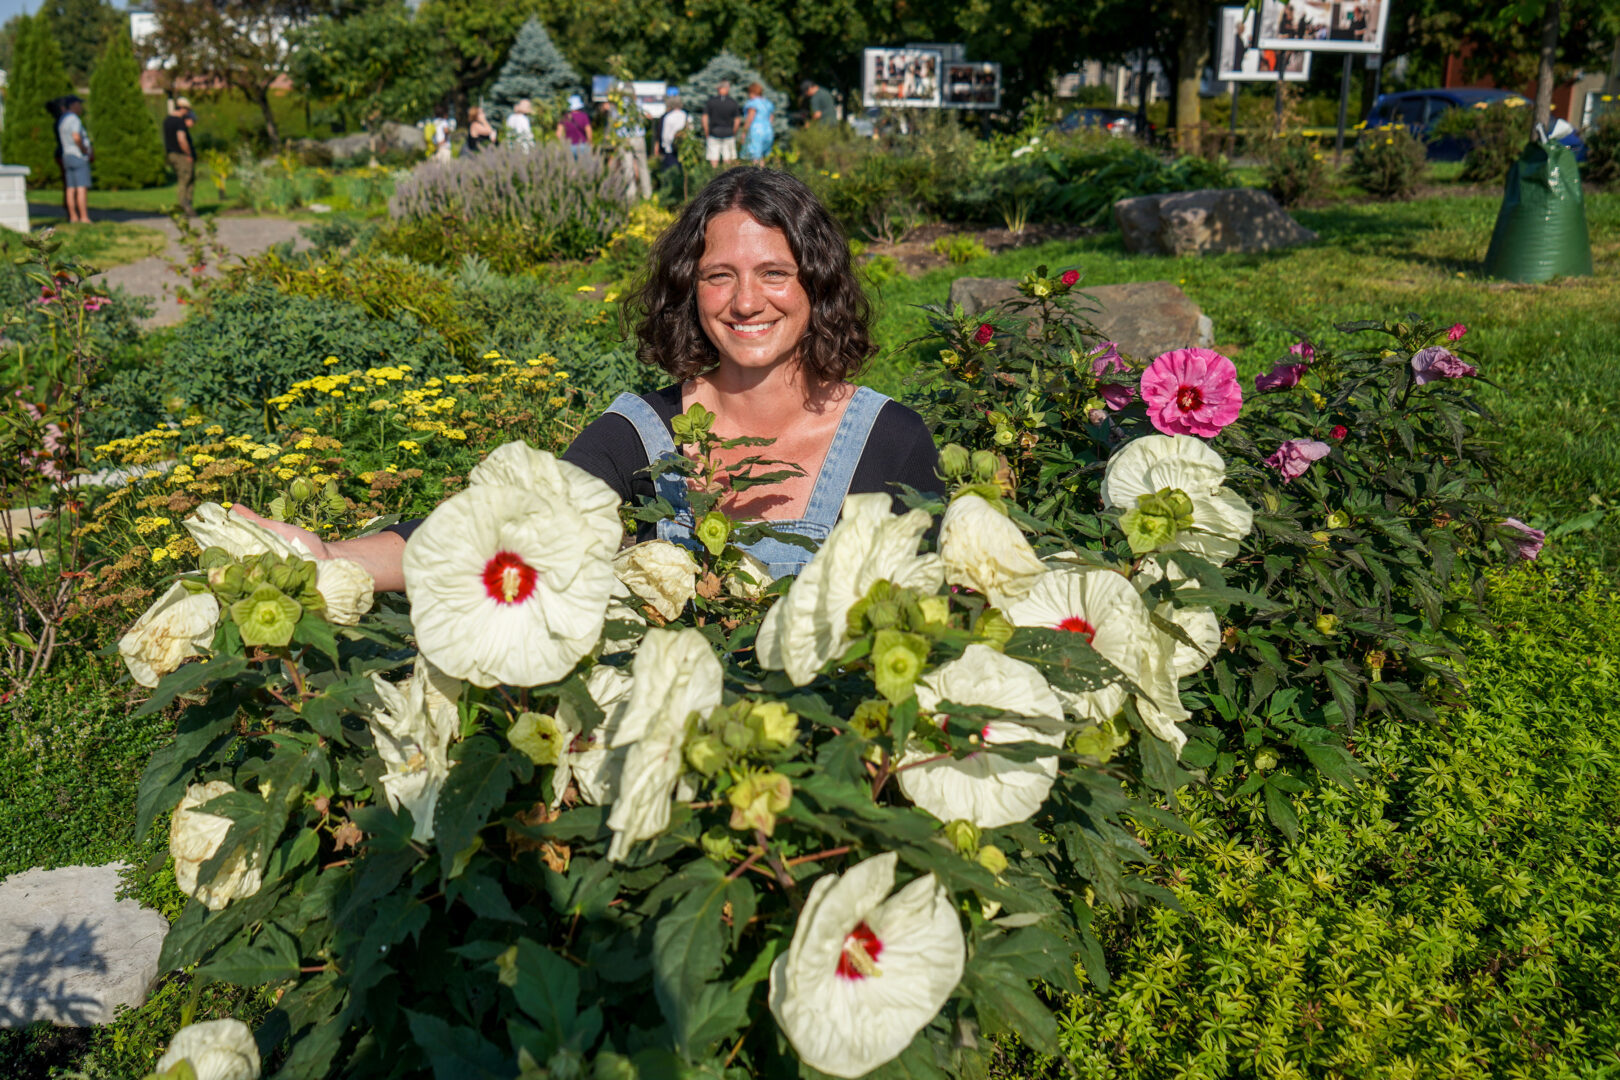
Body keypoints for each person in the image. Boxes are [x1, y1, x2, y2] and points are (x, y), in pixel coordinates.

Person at [233, 168, 942, 587]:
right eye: (719, 276)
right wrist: (329, 558)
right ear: (690, 291)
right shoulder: (640, 435)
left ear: (816, 286)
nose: (747, 301)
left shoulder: (889, 443)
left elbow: (935, 615)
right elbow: (519, 525)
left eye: (775, 274)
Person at [610, 82, 652, 200]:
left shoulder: (618, 106)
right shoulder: (637, 104)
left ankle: (631, 195)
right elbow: (645, 116)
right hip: (638, 137)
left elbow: (614, 122)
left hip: (624, 139)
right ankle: (647, 194)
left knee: (627, 167)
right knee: (643, 165)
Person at [59, 95, 91, 224]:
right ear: (72, 105)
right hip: (77, 156)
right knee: (81, 187)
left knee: (70, 188)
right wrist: (84, 149)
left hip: (66, 155)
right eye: (79, 104)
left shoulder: (63, 120)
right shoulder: (74, 120)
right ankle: (84, 217)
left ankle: (73, 217)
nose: (81, 107)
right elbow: (76, 136)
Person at [163, 96, 196, 216]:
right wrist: (189, 154)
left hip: (171, 154)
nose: (187, 113)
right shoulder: (179, 121)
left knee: (184, 179)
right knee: (185, 180)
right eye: (187, 110)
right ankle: (184, 207)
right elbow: (181, 139)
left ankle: (185, 207)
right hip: (181, 155)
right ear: (182, 108)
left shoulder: (167, 120)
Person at [701, 79, 740, 166]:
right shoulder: (733, 102)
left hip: (714, 132)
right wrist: (734, 132)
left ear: (719, 88)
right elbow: (737, 120)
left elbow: (704, 117)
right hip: (729, 133)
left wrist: (706, 130)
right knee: (728, 159)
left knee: (714, 159)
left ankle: (714, 176)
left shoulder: (711, 102)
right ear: (727, 88)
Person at [741, 83, 775, 162]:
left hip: (757, 131)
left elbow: (750, 118)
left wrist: (744, 132)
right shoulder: (768, 103)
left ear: (751, 92)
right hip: (768, 131)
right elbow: (771, 118)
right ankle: (763, 173)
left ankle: (756, 174)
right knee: (761, 155)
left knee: (755, 156)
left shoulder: (753, 103)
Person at [658, 87, 688, 171]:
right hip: (683, 147)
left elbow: (665, 134)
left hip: (670, 148)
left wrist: (664, 145)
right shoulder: (685, 115)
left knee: (670, 170)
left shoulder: (668, 117)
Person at [557, 94, 592, 161]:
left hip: (569, 146)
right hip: (583, 145)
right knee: (584, 168)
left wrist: (564, 143)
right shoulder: (584, 116)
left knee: (571, 168)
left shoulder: (565, 116)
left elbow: (558, 133)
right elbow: (588, 130)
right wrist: (589, 142)